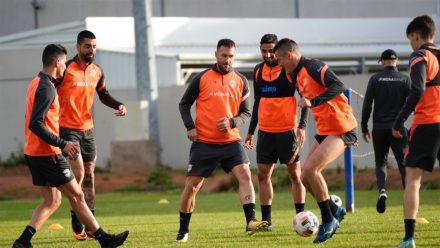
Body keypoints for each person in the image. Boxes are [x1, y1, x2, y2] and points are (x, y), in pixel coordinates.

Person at [12, 44, 128, 248]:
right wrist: (62, 143)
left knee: (52, 201)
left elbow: (30, 119)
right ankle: (104, 239)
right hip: (48, 153)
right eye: (64, 62)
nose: (65, 66)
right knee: (77, 195)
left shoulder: (36, 81)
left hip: (33, 152)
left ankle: (23, 241)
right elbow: (35, 123)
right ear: (57, 62)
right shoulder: (47, 88)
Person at [176, 38, 268, 243]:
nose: (227, 60)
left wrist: (233, 122)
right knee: (192, 186)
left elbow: (246, 112)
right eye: (224, 55)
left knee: (245, 174)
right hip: (204, 142)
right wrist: (190, 126)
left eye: (231, 56)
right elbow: (184, 104)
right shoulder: (201, 78)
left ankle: (250, 222)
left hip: (230, 142)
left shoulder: (242, 81)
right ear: (216, 55)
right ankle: (183, 230)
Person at [274, 38, 358, 244]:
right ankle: (334, 209)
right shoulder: (293, 74)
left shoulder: (313, 66)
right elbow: (304, 102)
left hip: (341, 127)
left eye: (279, 59)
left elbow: (338, 85)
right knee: (304, 177)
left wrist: (314, 101)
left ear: (290, 55)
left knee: (311, 171)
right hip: (325, 129)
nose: (279, 64)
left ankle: (328, 220)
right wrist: (302, 124)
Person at [56, 30, 127, 240]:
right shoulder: (65, 68)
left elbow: (103, 95)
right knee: (77, 173)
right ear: (78, 47)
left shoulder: (97, 70)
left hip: (88, 130)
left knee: (89, 176)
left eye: (94, 46)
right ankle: (76, 219)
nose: (91, 50)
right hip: (67, 129)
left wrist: (119, 104)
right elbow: (48, 90)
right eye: (87, 46)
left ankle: (90, 224)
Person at [244, 34, 308, 230]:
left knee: (295, 175)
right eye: (264, 50)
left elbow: (305, 98)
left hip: (287, 131)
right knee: (263, 175)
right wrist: (250, 132)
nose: (268, 54)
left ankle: (301, 218)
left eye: (271, 50)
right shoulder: (257, 71)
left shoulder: (289, 70)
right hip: (265, 131)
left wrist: (302, 127)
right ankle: (267, 222)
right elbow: (257, 102)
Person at [393, 15, 440, 248]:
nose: (411, 44)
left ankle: (409, 238)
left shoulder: (420, 54)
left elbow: (418, 88)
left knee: (413, 179)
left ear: (415, 35)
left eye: (410, 39)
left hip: (429, 122)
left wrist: (400, 118)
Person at [361, 49, 410, 214]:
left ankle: (382, 190)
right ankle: (408, 196)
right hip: (398, 128)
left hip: (379, 128)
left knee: (381, 162)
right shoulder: (405, 79)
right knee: (403, 163)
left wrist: (364, 127)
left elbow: (367, 104)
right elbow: (411, 104)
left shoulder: (375, 79)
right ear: (396, 61)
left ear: (382, 61)